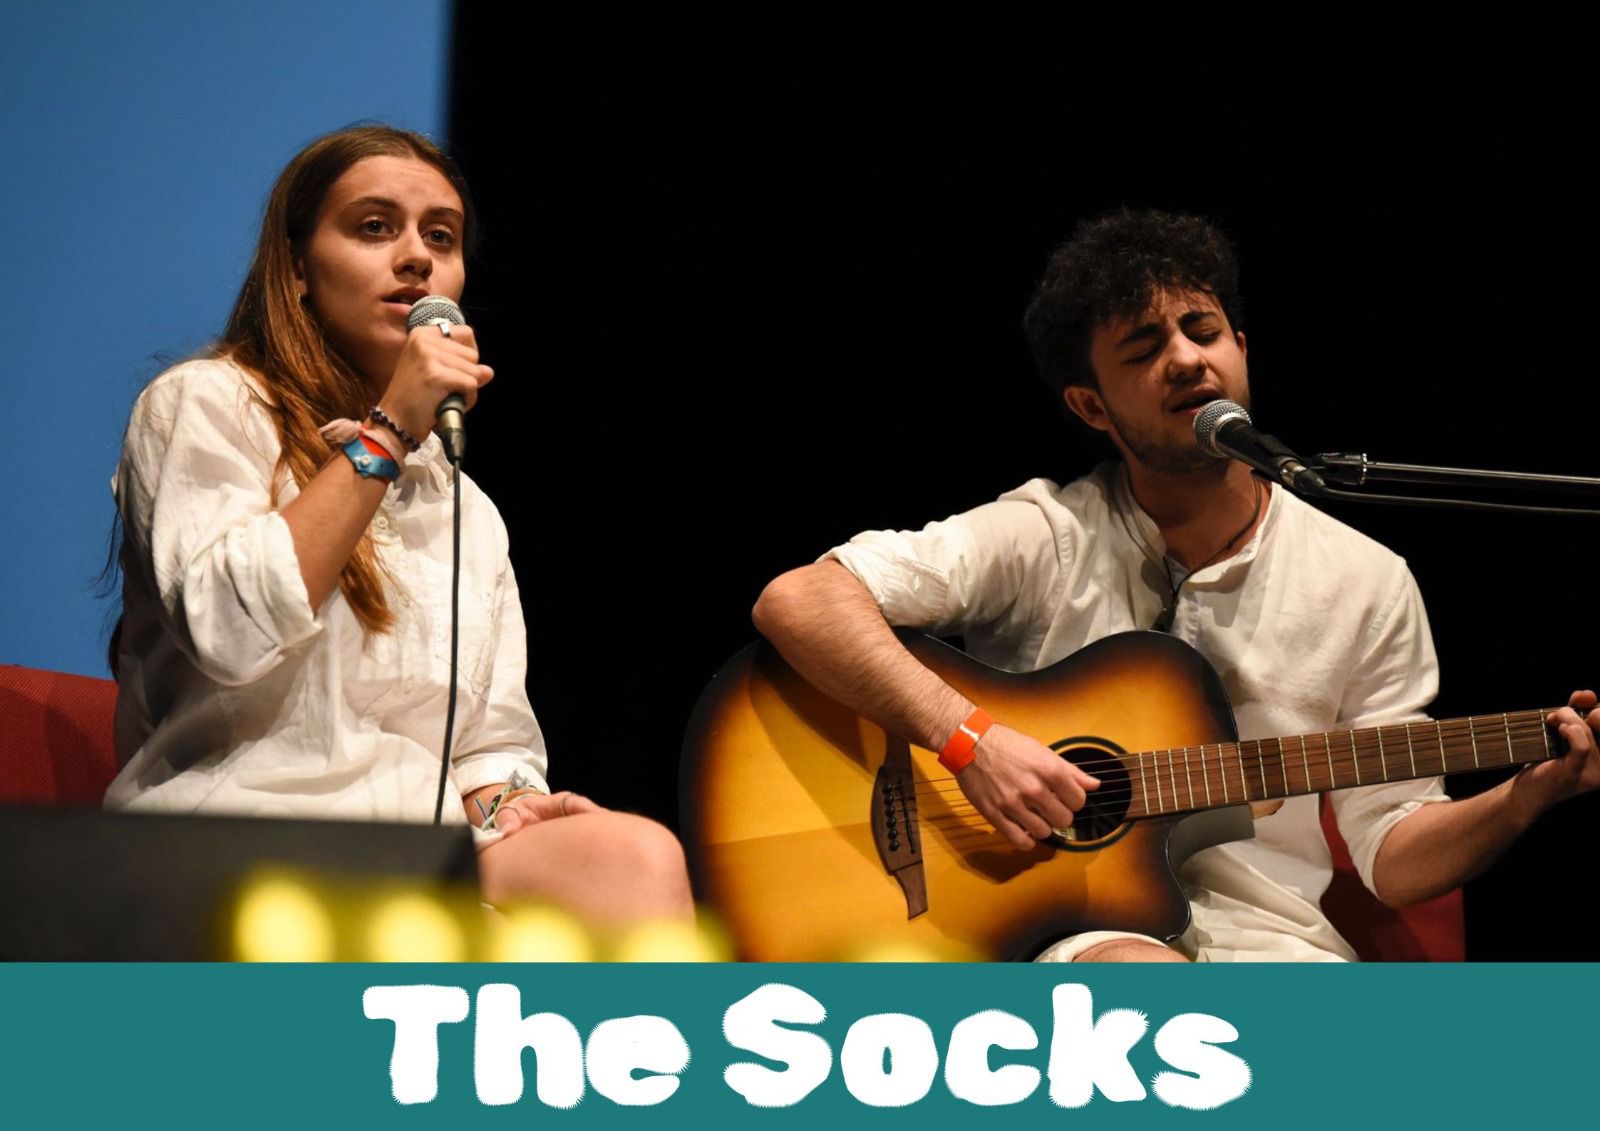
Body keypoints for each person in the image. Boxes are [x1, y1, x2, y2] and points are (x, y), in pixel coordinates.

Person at [753, 209, 1600, 961]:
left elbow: (1393, 855)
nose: (1187, 359)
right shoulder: (1045, 533)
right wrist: (969, 739)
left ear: (1242, 350)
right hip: (1071, 935)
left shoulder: (1367, 579)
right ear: (1091, 407)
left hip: (1279, 946)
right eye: (1145, 348)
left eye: (1204, 331)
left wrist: (1525, 795)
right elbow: (800, 599)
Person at [105, 125, 691, 926]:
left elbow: (490, 745)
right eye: (375, 227)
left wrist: (509, 804)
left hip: (418, 856)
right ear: (297, 268)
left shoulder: (465, 507)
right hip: (241, 827)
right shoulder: (203, 403)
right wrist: (387, 434)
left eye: (440, 237)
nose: (416, 256)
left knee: (633, 855)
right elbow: (228, 632)